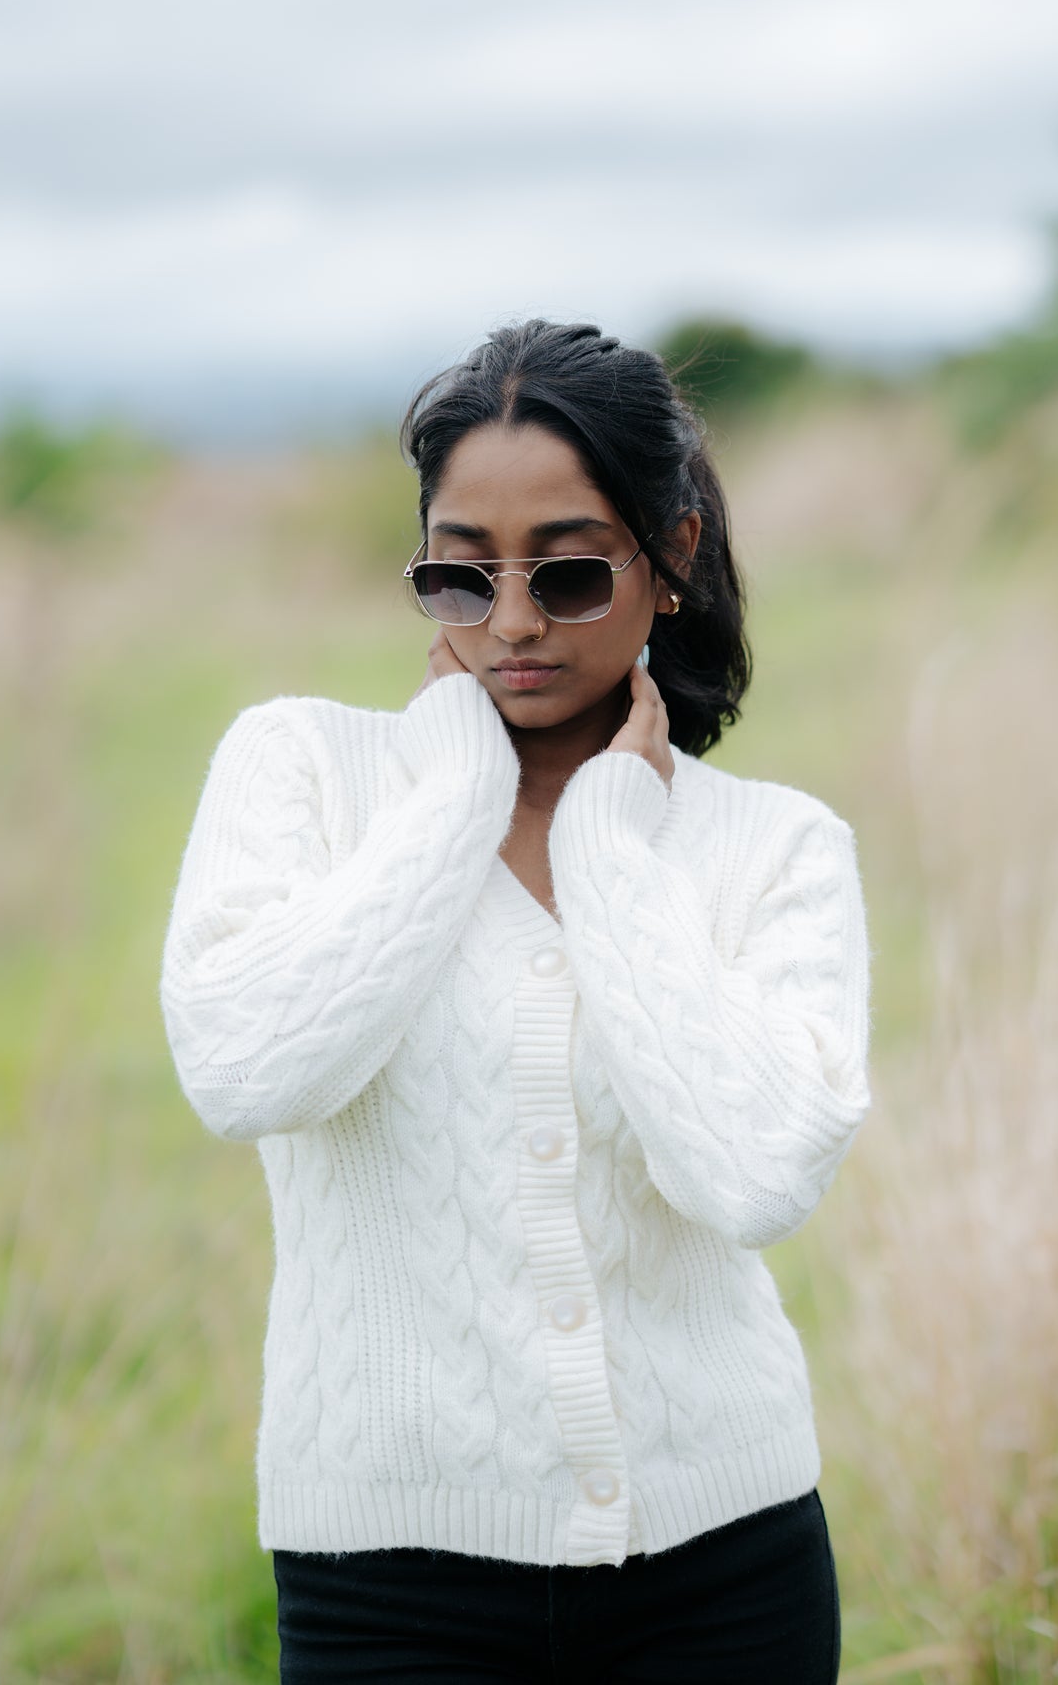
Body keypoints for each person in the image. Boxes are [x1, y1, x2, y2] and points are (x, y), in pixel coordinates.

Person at [160, 317, 873, 1684]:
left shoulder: (773, 846)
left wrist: (607, 839)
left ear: (667, 561)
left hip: (728, 1568)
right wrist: (459, 794)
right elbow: (246, 1072)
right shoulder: (304, 770)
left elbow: (755, 1176)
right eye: (459, 576)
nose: (512, 624)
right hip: (389, 1583)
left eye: (566, 570)